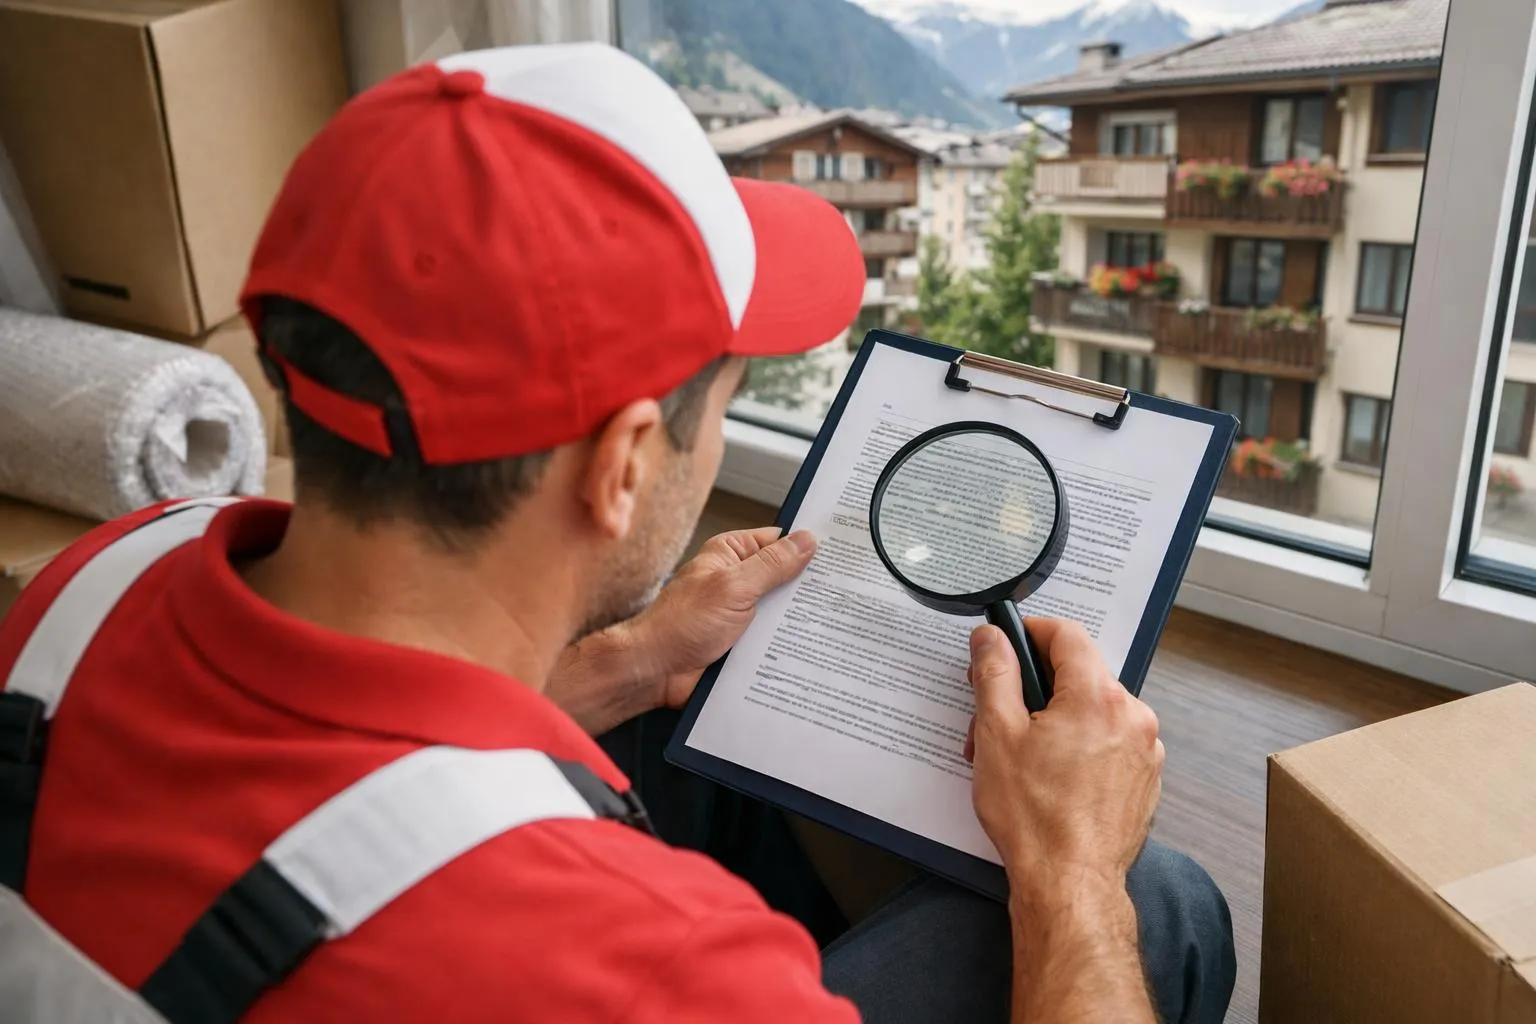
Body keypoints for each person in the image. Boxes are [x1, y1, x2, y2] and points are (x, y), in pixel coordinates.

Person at [0, 43, 1235, 1023]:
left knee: (695, 743)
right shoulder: (664, 976)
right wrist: (1072, 876)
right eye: (728, 390)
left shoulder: (99, 571)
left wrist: (632, 660)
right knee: (1159, 905)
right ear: (627, 462)